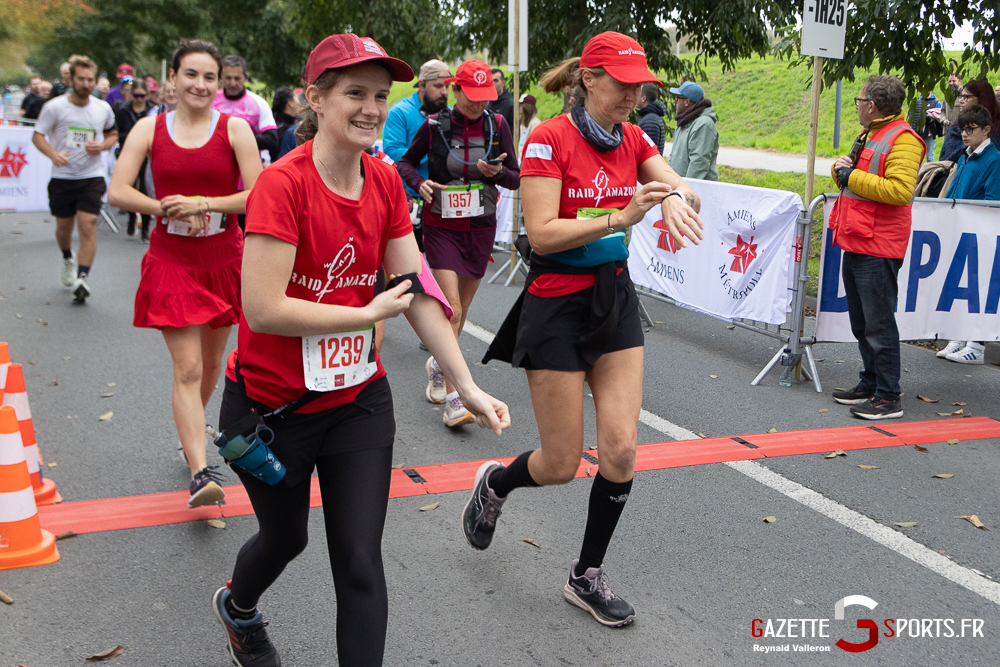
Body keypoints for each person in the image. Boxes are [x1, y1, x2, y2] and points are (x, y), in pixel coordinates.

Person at [210, 33, 509, 667]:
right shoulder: (282, 185)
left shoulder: (383, 181)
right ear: (315, 99)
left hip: (356, 403)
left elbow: (415, 286)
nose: (371, 109)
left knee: (360, 562)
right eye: (355, 93)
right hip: (272, 409)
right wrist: (363, 313)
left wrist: (466, 385)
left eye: (380, 95)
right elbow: (262, 308)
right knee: (286, 539)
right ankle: (239, 608)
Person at [472, 31, 704, 628]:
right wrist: (620, 217)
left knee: (622, 449)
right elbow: (541, 234)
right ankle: (496, 484)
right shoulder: (549, 138)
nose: (632, 95)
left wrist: (676, 197)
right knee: (561, 462)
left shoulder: (635, 137)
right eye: (622, 83)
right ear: (590, 79)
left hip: (613, 298)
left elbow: (681, 185)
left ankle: (586, 574)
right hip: (556, 303)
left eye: (639, 86)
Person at [108, 39, 262, 507]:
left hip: (223, 258)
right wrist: (165, 208)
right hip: (171, 259)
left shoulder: (235, 129)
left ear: (219, 83)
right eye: (190, 74)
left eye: (209, 76)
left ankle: (189, 430)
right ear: (172, 78)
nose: (200, 84)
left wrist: (205, 204)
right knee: (189, 366)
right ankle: (200, 472)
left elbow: (259, 195)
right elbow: (118, 190)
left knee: (212, 364)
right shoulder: (149, 129)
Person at [398, 59, 521, 427]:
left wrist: (498, 172)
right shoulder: (434, 126)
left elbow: (516, 177)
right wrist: (419, 183)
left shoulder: (497, 125)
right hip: (442, 227)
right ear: (455, 91)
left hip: (480, 228)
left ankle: (440, 365)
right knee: (450, 308)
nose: (479, 104)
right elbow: (405, 164)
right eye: (471, 97)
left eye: (485, 98)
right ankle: (455, 400)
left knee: (462, 310)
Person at [829, 75, 925, 419]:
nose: (856, 106)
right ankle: (870, 383)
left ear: (871, 105)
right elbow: (855, 181)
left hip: (878, 243)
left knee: (879, 324)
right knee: (862, 322)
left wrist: (850, 175)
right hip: (858, 237)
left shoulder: (903, 138)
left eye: (859, 101)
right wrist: (841, 171)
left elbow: (900, 191)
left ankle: (888, 397)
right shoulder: (872, 132)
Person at [32, 54, 117, 303]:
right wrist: (53, 154)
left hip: (92, 175)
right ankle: (67, 257)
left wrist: (102, 146)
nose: (86, 84)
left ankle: (82, 277)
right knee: (63, 228)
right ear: (70, 78)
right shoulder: (54, 107)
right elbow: (37, 135)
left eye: (90, 79)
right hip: (63, 176)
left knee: (88, 223)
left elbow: (112, 133)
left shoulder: (102, 108)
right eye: (81, 79)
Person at [934, 105, 1000, 365]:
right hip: (960, 230)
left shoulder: (994, 159)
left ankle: (976, 345)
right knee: (962, 286)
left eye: (971, 129)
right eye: (962, 129)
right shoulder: (965, 156)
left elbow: (992, 200)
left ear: (987, 130)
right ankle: (960, 336)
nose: (964, 134)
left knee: (979, 289)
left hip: (979, 233)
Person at [383, 59, 451, 197]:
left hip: (446, 196)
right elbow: (392, 152)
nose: (444, 92)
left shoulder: (451, 113)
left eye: (447, 86)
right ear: (421, 84)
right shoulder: (400, 112)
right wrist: (435, 154)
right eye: (438, 86)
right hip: (412, 197)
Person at [211, 54, 279, 163]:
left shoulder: (258, 103)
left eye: (237, 78)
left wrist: (235, 140)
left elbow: (272, 140)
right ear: (221, 77)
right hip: (214, 164)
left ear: (246, 77)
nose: (233, 83)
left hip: (246, 167)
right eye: (228, 78)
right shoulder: (211, 100)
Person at [113, 78, 155, 238]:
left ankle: (145, 228)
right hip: (129, 153)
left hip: (147, 155)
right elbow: (118, 133)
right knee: (129, 188)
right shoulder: (122, 111)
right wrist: (133, 137)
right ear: (131, 95)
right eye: (136, 95)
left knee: (144, 190)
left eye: (142, 96)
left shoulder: (151, 111)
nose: (139, 99)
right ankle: (131, 217)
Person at [668, 81, 719, 180]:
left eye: (678, 98)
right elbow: (673, 158)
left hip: (696, 188)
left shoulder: (703, 124)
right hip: (679, 185)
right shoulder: (683, 122)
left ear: (686, 102)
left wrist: (687, 188)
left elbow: (699, 163)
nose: (675, 101)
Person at [939, 79, 1000, 161]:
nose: (961, 101)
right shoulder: (957, 124)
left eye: (966, 97)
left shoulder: (996, 128)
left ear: (982, 98)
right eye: (961, 96)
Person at [269, 86, 299, 163]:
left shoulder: (274, 124)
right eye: (296, 97)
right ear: (290, 103)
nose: (299, 102)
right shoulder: (286, 130)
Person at [636, 81, 667, 154]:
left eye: (638, 94)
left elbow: (649, 153)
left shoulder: (650, 121)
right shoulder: (651, 117)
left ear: (643, 98)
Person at [518, 93, 542, 158]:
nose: (519, 107)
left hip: (526, 157)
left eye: (521, 105)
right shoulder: (524, 122)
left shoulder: (535, 123)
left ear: (527, 107)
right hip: (520, 157)